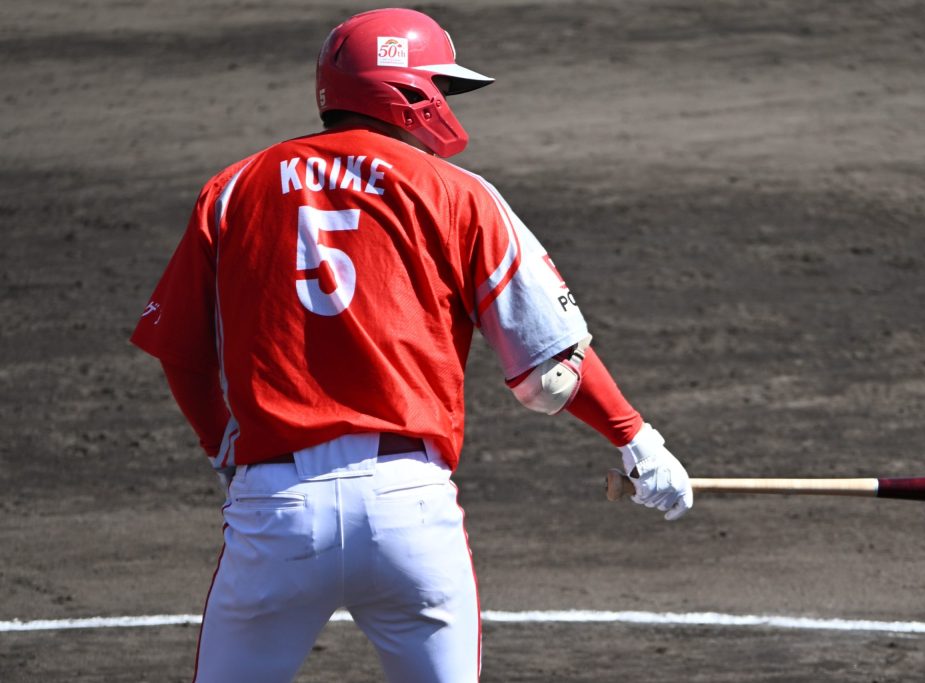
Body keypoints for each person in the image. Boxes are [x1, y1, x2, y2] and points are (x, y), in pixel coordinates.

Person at [130, 8, 693, 683]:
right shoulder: (460, 194)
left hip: (277, 509)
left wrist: (223, 448)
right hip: (408, 509)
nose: (447, 103)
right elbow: (550, 375)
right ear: (407, 90)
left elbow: (182, 350)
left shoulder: (232, 190)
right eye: (441, 87)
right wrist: (636, 438)